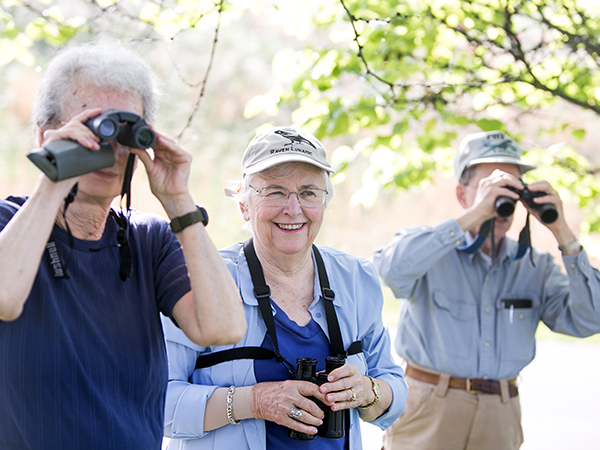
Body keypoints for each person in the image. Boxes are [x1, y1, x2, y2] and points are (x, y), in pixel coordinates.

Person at [0, 43, 246, 450]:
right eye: (91, 129)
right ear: (48, 136)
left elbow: (223, 327)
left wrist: (177, 200)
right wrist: (53, 178)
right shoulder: (11, 227)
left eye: (123, 132)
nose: (107, 151)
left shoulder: (149, 242)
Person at [161, 125, 408, 450]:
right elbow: (156, 401)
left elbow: (394, 387)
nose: (293, 209)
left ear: (324, 202)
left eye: (308, 192)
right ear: (243, 205)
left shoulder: (356, 278)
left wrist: (368, 391)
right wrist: (255, 401)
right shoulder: (200, 279)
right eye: (275, 191)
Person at [372, 130, 600, 450]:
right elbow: (391, 270)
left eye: (511, 187)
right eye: (489, 186)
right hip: (429, 409)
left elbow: (590, 320)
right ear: (462, 194)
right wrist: (475, 214)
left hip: (501, 413)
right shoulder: (431, 250)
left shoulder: (535, 265)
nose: (500, 195)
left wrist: (563, 232)